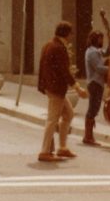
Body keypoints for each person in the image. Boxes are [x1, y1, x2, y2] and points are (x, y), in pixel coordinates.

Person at [36, 21, 87, 162]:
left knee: (68, 114)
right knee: (52, 119)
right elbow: (64, 71)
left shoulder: (48, 45)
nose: (71, 36)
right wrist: (78, 88)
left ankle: (62, 147)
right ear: (66, 33)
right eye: (71, 33)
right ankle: (45, 151)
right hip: (56, 88)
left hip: (50, 86)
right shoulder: (59, 47)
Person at [82, 30, 110, 146]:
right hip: (95, 83)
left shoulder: (95, 51)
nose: (102, 41)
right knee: (93, 109)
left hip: (96, 83)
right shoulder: (92, 52)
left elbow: (107, 52)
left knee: (94, 108)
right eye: (100, 38)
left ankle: (89, 136)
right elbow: (99, 68)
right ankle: (88, 136)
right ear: (94, 39)